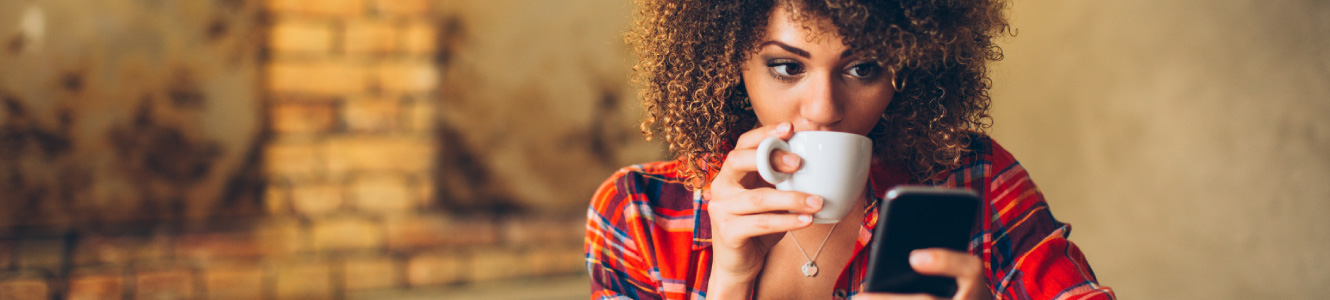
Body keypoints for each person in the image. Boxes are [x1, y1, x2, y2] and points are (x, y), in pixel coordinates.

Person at [585, 0, 1115, 299]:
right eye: (787, 67)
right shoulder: (641, 214)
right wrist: (730, 280)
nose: (823, 109)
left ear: (909, 69)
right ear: (726, 61)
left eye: (863, 68)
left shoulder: (971, 178)